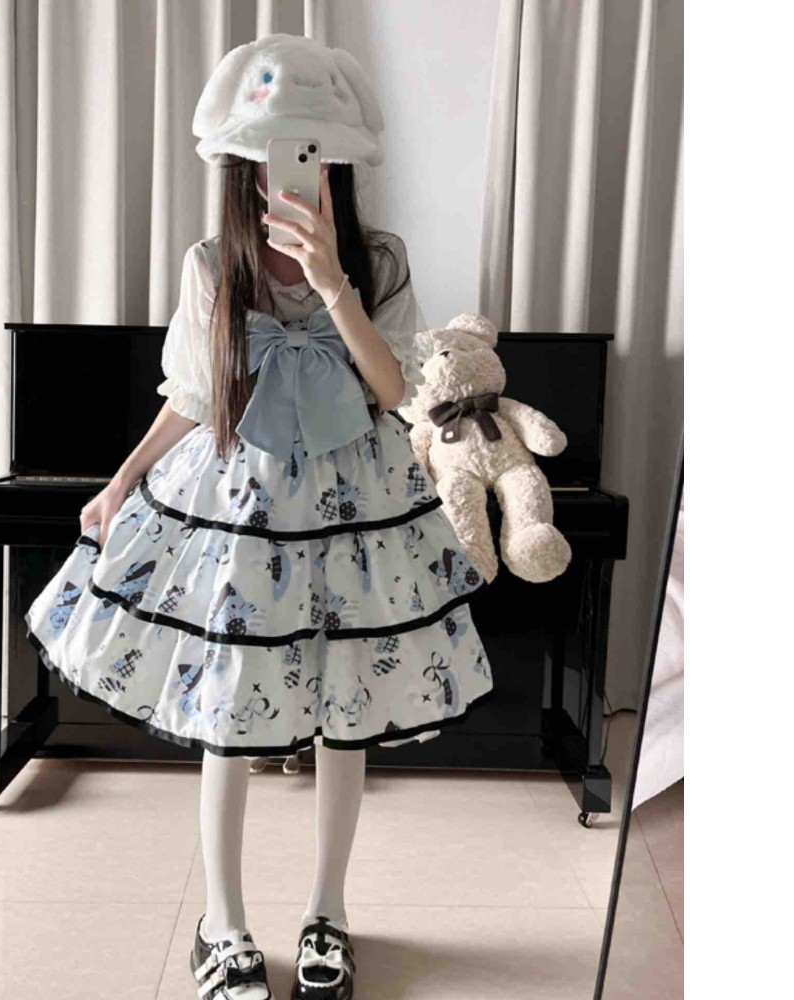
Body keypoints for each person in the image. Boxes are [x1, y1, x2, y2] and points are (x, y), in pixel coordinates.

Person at [25, 34, 493, 1000]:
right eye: (276, 153)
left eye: (313, 153)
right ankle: (223, 922)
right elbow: (194, 395)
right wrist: (121, 480)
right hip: (242, 502)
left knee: (346, 707)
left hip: (354, 505)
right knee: (229, 705)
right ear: (244, 165)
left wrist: (332, 284)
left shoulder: (380, 260)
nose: (293, 170)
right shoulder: (212, 264)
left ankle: (329, 909)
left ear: (339, 163)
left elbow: (396, 390)